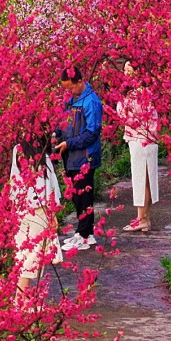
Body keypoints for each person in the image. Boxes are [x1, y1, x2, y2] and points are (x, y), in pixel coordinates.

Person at [6, 132, 62, 305]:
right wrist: (53, 214)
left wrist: (13, 208)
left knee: (25, 255)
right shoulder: (43, 155)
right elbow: (51, 186)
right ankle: (21, 300)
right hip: (39, 210)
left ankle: (25, 299)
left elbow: (13, 181)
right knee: (33, 258)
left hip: (22, 208)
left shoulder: (18, 150)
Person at [58, 64, 104, 252]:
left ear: (80, 82)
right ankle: (81, 232)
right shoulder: (71, 100)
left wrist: (69, 143)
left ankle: (86, 234)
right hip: (70, 156)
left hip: (85, 156)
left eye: (71, 87)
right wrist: (57, 134)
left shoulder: (91, 101)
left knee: (84, 196)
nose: (68, 91)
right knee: (76, 195)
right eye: (66, 88)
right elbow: (62, 122)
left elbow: (92, 132)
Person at [115, 58, 160, 233]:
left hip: (141, 139)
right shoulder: (140, 92)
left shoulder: (139, 93)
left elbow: (127, 116)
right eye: (125, 70)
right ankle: (144, 218)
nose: (126, 74)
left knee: (142, 178)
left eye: (129, 70)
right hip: (145, 138)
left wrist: (120, 105)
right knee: (145, 179)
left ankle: (142, 218)